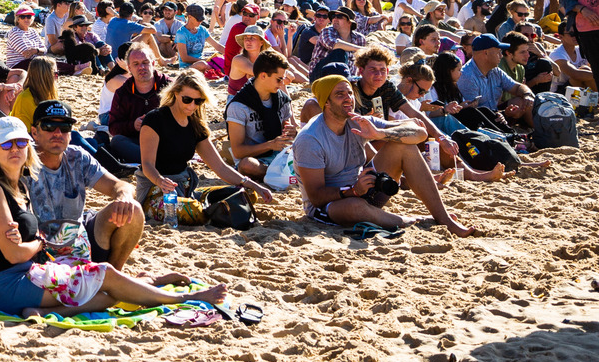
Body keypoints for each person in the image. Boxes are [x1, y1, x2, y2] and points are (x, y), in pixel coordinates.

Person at [0, 116, 227, 317]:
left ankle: (46, 312)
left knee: (108, 294)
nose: (15, 149)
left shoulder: (19, 186)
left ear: (28, 146)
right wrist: (38, 242)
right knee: (106, 276)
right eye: (6, 144)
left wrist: (32, 241)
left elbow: (117, 185)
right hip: (6, 287)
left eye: (20, 142)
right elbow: (13, 254)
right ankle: (185, 299)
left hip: (29, 273)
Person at [294, 75, 473, 237]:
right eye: (340, 94)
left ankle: (443, 218)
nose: (348, 98)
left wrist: (379, 134)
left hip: (365, 189)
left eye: (350, 93)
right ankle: (410, 220)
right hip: (333, 206)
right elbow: (316, 197)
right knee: (354, 207)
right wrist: (353, 190)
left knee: (405, 147)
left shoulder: (358, 121)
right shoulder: (310, 139)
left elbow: (420, 133)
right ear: (326, 102)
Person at [26, 101, 146, 271]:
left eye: (65, 127)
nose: (58, 133)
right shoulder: (22, 163)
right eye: (49, 126)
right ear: (34, 132)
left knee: (133, 210)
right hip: (38, 245)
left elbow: (120, 185)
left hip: (79, 238)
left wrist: (123, 196)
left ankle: (112, 274)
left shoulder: (77, 157)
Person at [136, 69, 274, 211]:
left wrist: (253, 185)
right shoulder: (155, 120)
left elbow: (220, 167)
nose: (192, 106)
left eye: (198, 101)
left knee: (245, 194)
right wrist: (161, 181)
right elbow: (147, 165)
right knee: (194, 210)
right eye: (187, 100)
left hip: (184, 189)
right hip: (155, 189)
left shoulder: (196, 125)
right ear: (175, 93)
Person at [225, 50, 298, 179]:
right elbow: (238, 151)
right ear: (263, 76)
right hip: (257, 159)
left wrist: (291, 132)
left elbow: (287, 130)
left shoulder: (282, 99)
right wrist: (270, 145)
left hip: (280, 155)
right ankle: (282, 174)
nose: (282, 84)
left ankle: (280, 173)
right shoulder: (239, 105)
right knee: (247, 165)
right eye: (279, 79)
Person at [103, 44, 168, 165]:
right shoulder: (122, 92)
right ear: (129, 68)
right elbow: (113, 127)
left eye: (145, 62)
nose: (141, 67)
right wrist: (133, 125)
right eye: (136, 64)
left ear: (153, 64)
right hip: (137, 141)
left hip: (166, 140)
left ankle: (153, 162)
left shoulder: (169, 86)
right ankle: (155, 162)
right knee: (117, 141)